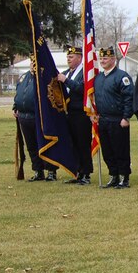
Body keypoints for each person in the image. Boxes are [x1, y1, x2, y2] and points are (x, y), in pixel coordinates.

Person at [93, 46, 134, 189]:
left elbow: (129, 98)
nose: (103, 61)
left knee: (120, 149)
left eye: (106, 58)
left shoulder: (122, 77)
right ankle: (113, 176)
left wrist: (126, 117)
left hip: (118, 120)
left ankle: (124, 177)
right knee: (107, 151)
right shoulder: (98, 78)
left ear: (113, 59)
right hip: (103, 119)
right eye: (101, 58)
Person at [56, 46, 93, 185]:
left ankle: (86, 174)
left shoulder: (85, 73)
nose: (68, 59)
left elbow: (81, 89)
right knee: (73, 145)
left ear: (79, 58)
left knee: (83, 144)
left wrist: (66, 80)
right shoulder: (67, 73)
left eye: (71, 57)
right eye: (67, 57)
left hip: (81, 114)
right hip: (68, 114)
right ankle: (77, 172)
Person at [12, 68, 57, 181]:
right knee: (31, 146)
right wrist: (15, 106)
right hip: (24, 117)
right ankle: (38, 171)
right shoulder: (24, 77)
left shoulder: (44, 76)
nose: (33, 64)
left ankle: (51, 171)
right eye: (31, 61)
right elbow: (19, 93)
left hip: (39, 117)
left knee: (45, 144)